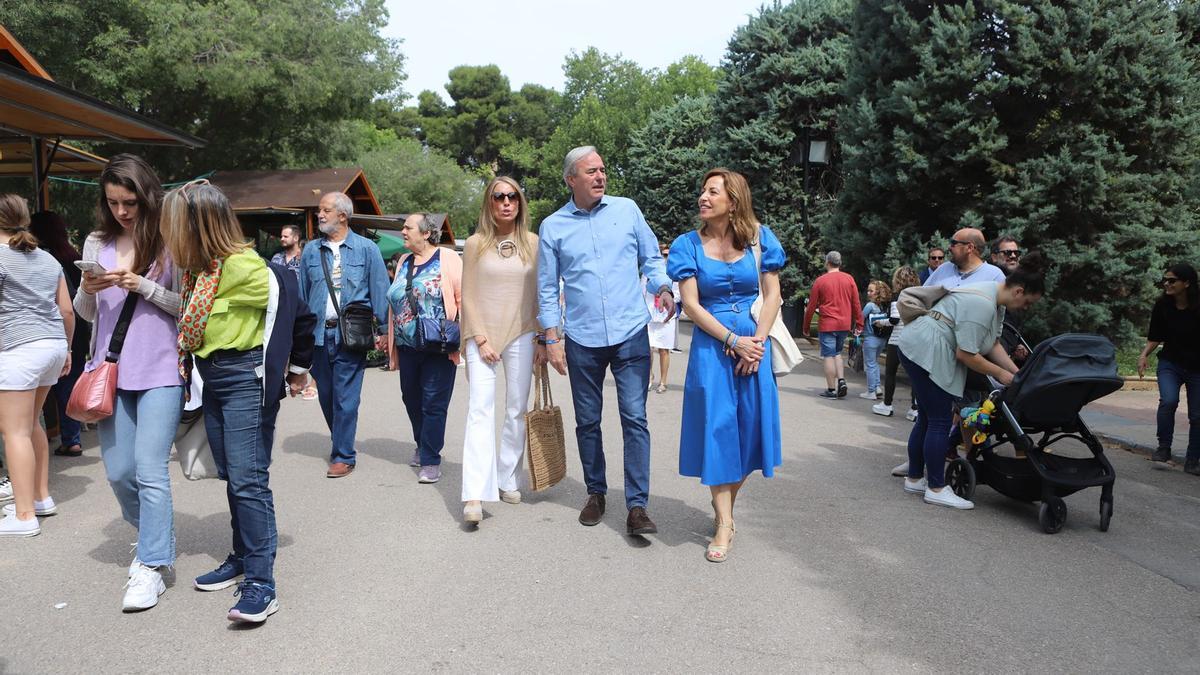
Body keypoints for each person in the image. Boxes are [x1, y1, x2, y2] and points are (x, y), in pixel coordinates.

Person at [161, 180, 314, 624]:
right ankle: (242, 557)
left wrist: (298, 369)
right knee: (231, 474)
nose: (168, 234)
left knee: (249, 479)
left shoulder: (247, 267)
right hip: (211, 380)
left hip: (247, 378)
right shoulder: (198, 271)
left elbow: (299, 313)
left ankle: (262, 585)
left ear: (197, 225)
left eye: (174, 225)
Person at [537, 145, 675, 536]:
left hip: (630, 331)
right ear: (571, 180)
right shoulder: (554, 227)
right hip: (581, 338)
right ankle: (596, 493)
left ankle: (637, 506)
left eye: (602, 170)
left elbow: (652, 258)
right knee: (588, 421)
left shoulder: (627, 209)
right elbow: (547, 288)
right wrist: (551, 338)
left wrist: (663, 285)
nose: (600, 177)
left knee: (635, 417)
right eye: (591, 172)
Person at [74, 154, 183, 611]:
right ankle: (155, 536)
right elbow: (86, 314)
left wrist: (143, 285)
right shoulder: (97, 241)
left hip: (160, 369)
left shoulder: (170, 241)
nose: (122, 210)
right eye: (114, 201)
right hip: (110, 369)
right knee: (119, 472)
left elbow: (188, 307)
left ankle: (152, 565)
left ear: (147, 196)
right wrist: (88, 290)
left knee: (150, 469)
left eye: (130, 202)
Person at [669, 168, 783, 562]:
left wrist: (757, 342)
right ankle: (724, 523)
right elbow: (690, 304)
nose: (703, 197)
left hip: (755, 346)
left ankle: (725, 507)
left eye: (712, 191)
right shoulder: (687, 245)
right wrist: (732, 341)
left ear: (732, 201)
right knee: (718, 430)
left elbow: (772, 295)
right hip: (712, 349)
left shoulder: (760, 239)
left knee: (751, 431)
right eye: (702, 190)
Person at [897, 253, 1048, 509]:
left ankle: (914, 478)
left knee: (927, 417)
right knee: (940, 419)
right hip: (927, 349)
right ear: (1019, 291)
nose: (1026, 309)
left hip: (919, 344)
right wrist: (1002, 375)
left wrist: (1019, 374)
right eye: (1028, 303)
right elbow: (966, 354)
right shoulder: (984, 303)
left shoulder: (993, 298)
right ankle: (935, 487)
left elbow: (993, 344)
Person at [459, 178, 538, 523]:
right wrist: (479, 338)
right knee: (479, 408)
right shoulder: (475, 244)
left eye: (512, 196)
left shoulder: (534, 244)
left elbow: (540, 293)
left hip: (522, 333)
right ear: (489, 203)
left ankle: (508, 478)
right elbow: (468, 295)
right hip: (482, 336)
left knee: (516, 409)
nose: (506, 202)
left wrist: (545, 340)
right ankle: (474, 493)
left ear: (520, 203)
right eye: (498, 196)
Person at [298, 192, 389, 478]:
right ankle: (341, 442)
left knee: (346, 399)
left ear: (343, 215)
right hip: (317, 337)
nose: (319, 215)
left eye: (326, 210)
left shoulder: (366, 249)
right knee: (326, 395)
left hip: (351, 335)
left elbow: (379, 290)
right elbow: (302, 294)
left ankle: (343, 455)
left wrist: (385, 331)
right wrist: (298, 335)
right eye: (319, 210)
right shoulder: (312, 251)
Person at [0, 194, 73, 538]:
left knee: (14, 432)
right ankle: (42, 498)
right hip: (53, 346)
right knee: (32, 424)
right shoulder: (47, 259)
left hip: (18, 348)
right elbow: (67, 311)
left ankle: (24, 514)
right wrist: (69, 350)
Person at [387, 213, 462, 484]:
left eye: (408, 228)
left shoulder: (449, 258)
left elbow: (462, 298)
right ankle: (422, 441)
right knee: (411, 398)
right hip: (407, 345)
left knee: (434, 403)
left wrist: (462, 335)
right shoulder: (404, 261)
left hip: (437, 345)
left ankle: (431, 459)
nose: (403, 231)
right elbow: (395, 299)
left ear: (426, 233)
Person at [30, 210, 90, 457]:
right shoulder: (72, 257)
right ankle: (72, 437)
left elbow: (64, 307)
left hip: (50, 329)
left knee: (41, 395)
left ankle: (56, 436)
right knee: (70, 384)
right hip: (79, 328)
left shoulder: (39, 259)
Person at [1138, 263, 1200, 474]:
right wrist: (1144, 354)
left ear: (1187, 283)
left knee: (1198, 415)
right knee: (1168, 401)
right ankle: (1164, 448)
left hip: (1197, 368)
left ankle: (1193, 460)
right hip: (1170, 363)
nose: (1166, 283)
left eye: (1172, 280)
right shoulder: (1162, 306)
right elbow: (1156, 336)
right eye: (1165, 280)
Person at [802, 251, 862, 399]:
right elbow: (856, 303)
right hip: (844, 324)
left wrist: (806, 327)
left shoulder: (820, 281)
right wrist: (859, 323)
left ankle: (831, 389)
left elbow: (811, 306)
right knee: (837, 353)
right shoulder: (849, 279)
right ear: (839, 263)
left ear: (827, 262)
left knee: (828, 355)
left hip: (828, 323)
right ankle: (841, 380)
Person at [875, 267, 921, 423]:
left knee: (890, 373)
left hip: (897, 340)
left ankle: (887, 405)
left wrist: (880, 322)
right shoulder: (919, 296)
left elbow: (894, 319)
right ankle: (914, 409)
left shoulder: (898, 296)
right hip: (914, 339)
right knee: (915, 376)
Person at [645, 245, 681, 393]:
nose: (664, 258)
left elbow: (678, 294)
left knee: (663, 350)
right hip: (650, 315)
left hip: (667, 316)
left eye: (667, 255)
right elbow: (643, 291)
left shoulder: (674, 275)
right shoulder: (648, 275)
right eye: (662, 255)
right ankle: (649, 377)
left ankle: (663, 381)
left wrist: (666, 295)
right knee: (648, 349)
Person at [922, 228, 1006, 289]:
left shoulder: (995, 276)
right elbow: (922, 297)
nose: (949, 248)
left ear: (969, 247)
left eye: (953, 243)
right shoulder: (943, 269)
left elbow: (1002, 311)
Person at [860, 280, 893, 401]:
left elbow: (860, 318)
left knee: (870, 365)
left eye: (871, 291)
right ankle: (877, 387)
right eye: (868, 290)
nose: (868, 293)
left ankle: (871, 391)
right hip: (882, 339)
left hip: (870, 338)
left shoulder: (870, 306)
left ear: (877, 292)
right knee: (875, 363)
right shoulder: (884, 306)